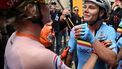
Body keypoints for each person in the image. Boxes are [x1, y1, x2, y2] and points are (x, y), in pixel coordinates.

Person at [4, 0, 70, 69]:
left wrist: (61, 56)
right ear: (30, 10)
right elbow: (43, 59)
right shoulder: (42, 55)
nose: (49, 7)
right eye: (45, 3)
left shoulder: (13, 37)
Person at [65, 0, 117, 69]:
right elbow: (69, 56)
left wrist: (92, 39)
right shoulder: (77, 30)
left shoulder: (109, 31)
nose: (85, 10)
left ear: (101, 13)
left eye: (91, 7)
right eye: (84, 7)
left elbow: (113, 61)